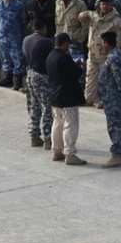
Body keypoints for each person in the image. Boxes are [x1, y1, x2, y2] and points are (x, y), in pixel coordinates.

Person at [46, 33, 87, 166]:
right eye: (68, 43)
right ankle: (70, 153)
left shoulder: (50, 56)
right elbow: (77, 72)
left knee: (57, 124)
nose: (69, 46)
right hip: (67, 97)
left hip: (55, 97)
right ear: (64, 43)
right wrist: (80, 66)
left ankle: (56, 150)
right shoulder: (64, 58)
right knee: (70, 125)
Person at [79, 0, 121, 107]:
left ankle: (102, 99)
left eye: (107, 4)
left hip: (105, 55)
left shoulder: (116, 20)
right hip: (92, 53)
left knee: (104, 79)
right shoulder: (94, 15)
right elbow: (82, 15)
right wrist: (82, 16)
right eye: (102, 4)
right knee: (90, 77)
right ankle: (89, 98)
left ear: (111, 5)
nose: (104, 6)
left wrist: (113, 51)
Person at [98, 31, 121, 168]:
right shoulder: (116, 54)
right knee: (119, 125)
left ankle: (117, 155)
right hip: (112, 97)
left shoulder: (114, 57)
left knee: (115, 126)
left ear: (106, 43)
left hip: (113, 98)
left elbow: (120, 79)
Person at [22, 20, 55, 149]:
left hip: (30, 74)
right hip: (42, 76)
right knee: (47, 108)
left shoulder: (26, 40)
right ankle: (48, 139)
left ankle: (34, 136)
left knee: (33, 106)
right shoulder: (46, 42)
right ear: (44, 28)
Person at [0, 0, 28, 90]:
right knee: (5, 58)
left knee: (17, 58)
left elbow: (23, 21)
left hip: (15, 37)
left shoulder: (18, 5)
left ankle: (18, 79)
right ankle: (7, 77)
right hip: (2, 37)